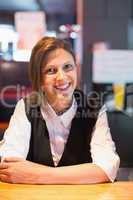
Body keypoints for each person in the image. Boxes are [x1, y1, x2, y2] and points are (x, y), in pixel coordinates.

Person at [0, 37, 120, 184]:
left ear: (76, 69)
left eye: (68, 67)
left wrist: (36, 175)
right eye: (51, 70)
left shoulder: (94, 108)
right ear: (39, 79)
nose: (62, 78)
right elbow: (8, 166)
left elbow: (107, 169)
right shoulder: (26, 107)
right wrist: (84, 174)